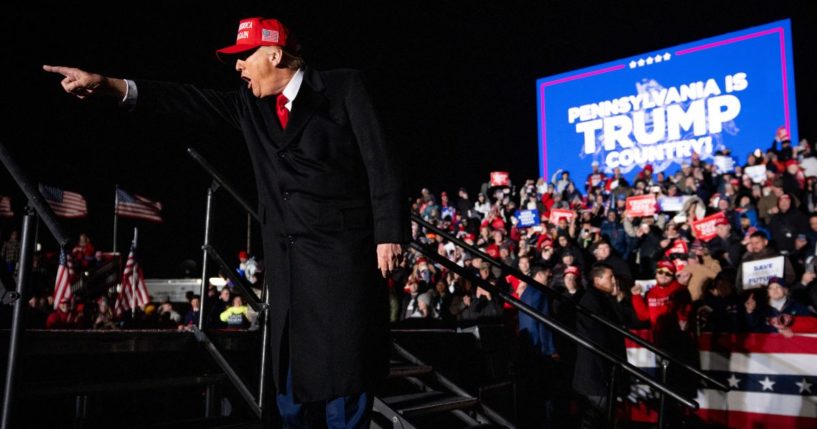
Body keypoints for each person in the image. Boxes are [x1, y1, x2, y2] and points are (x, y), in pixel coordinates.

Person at [45, 17, 408, 428]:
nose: (237, 67)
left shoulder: (343, 88)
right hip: (290, 273)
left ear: (274, 54)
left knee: (344, 386)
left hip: (343, 264)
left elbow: (382, 162)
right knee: (292, 393)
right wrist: (109, 84)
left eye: (243, 57)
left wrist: (389, 234)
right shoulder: (250, 105)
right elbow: (185, 99)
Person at [573, 263, 625, 429]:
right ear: (597, 279)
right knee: (595, 418)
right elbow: (601, 335)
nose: (614, 281)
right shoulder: (593, 300)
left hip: (600, 371)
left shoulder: (601, 299)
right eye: (610, 277)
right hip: (596, 372)